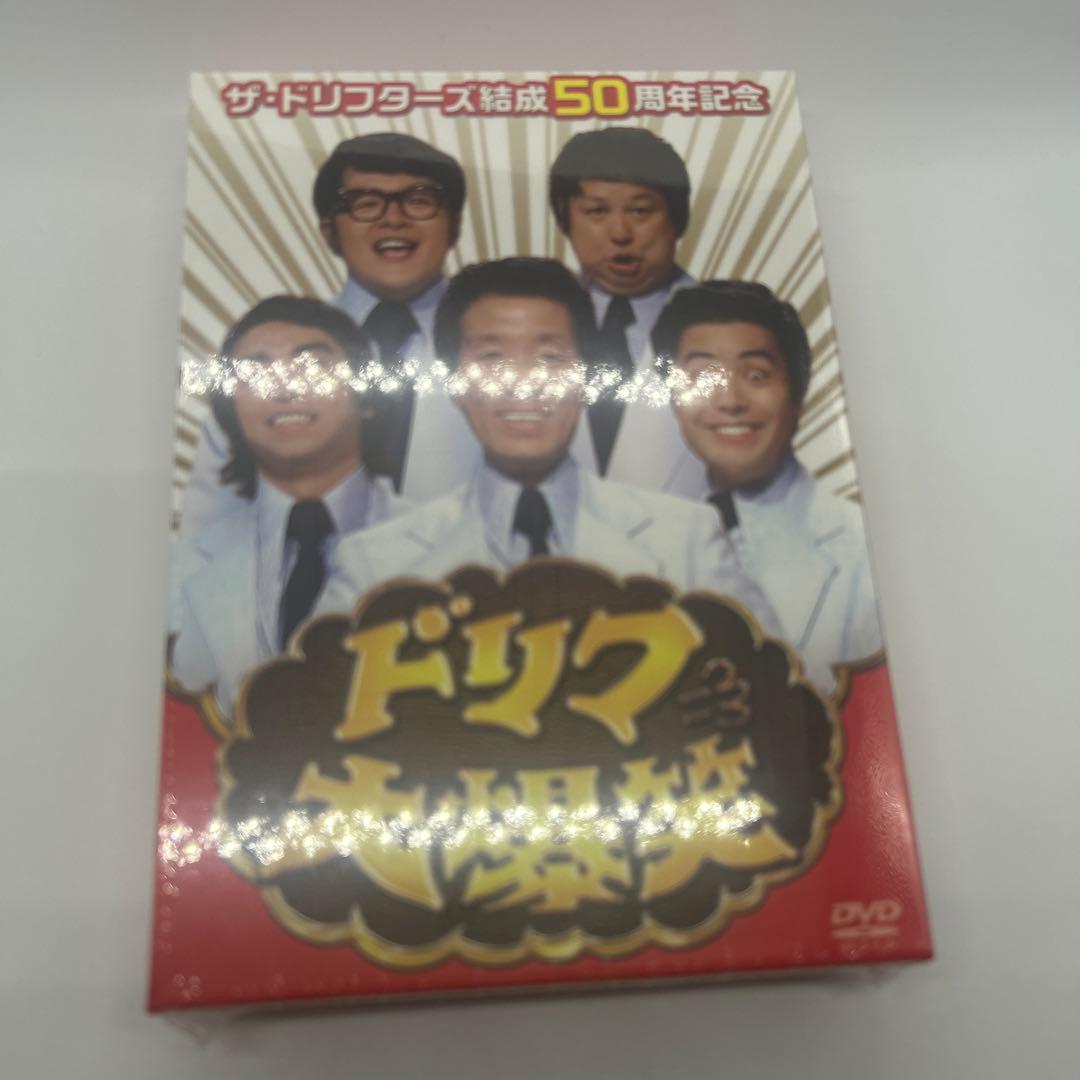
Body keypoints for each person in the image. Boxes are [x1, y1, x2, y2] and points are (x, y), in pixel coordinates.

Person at [324, 258, 777, 634]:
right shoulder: (374, 562)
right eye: (492, 358)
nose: (525, 384)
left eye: (549, 357)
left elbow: (773, 687)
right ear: (454, 384)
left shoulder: (688, 539)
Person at [181, 133, 476, 531]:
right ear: (328, 230)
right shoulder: (264, 354)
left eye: (420, 200)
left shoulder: (508, 352)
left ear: (454, 226)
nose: (393, 218)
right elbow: (211, 525)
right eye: (365, 204)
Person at [169, 296, 407, 718]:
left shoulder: (452, 542)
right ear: (230, 411)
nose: (284, 389)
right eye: (256, 373)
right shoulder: (178, 569)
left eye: (312, 367)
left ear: (367, 394)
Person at [652, 280, 883, 691]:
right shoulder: (648, 539)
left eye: (755, 375)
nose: (730, 401)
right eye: (703, 378)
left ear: (798, 394)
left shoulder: (864, 547)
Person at [548, 126, 695, 482]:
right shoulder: (534, 319)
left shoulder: (733, 325)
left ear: (678, 220)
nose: (620, 233)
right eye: (596, 211)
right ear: (565, 221)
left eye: (641, 211)